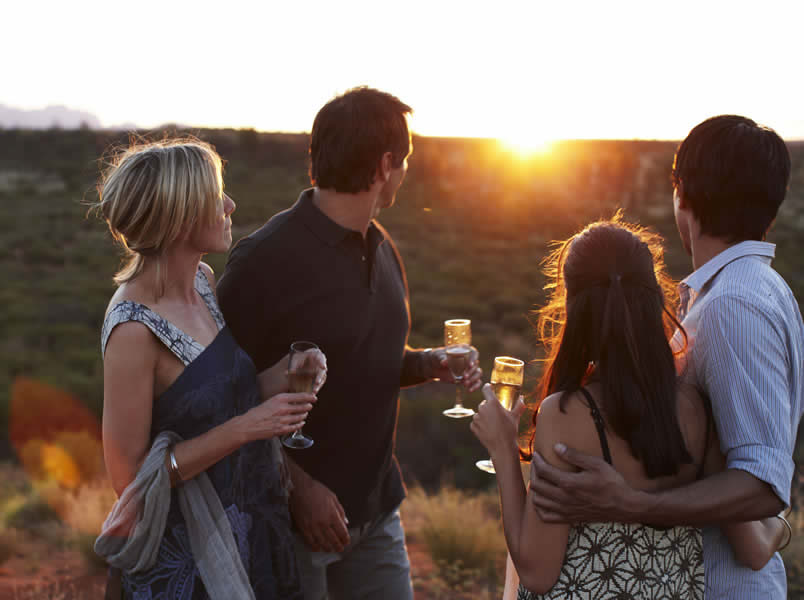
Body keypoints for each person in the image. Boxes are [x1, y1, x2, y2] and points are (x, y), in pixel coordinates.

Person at [217, 86, 481, 599]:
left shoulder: (382, 249)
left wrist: (429, 364)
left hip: (378, 516)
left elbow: (366, 360)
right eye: (404, 161)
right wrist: (297, 489)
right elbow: (222, 399)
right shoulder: (263, 262)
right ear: (385, 165)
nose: (406, 172)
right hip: (292, 529)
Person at [527, 115, 803, 598]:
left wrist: (630, 504)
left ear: (683, 196)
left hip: (720, 586)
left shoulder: (734, 305)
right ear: (771, 207)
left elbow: (761, 482)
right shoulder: (747, 292)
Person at [472, 218, 791, 599]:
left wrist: (503, 452)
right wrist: (780, 519)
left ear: (576, 310)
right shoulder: (694, 410)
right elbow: (754, 547)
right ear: (654, 300)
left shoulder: (567, 414)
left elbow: (537, 572)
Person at [95, 139, 325, 599]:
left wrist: (288, 372)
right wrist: (246, 429)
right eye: (215, 195)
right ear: (180, 216)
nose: (230, 205)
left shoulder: (203, 281)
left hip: (251, 521)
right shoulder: (133, 329)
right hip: (189, 558)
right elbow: (132, 479)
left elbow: (221, 399)